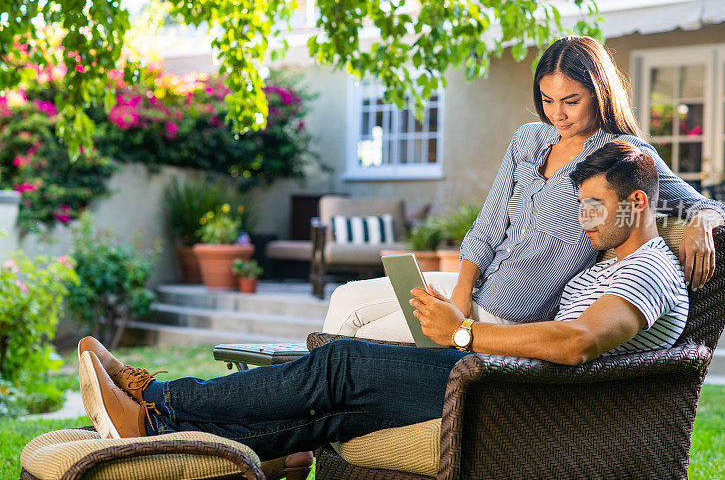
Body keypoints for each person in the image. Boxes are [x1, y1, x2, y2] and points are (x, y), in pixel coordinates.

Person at [79, 141, 689, 467]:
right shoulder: (607, 257)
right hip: (498, 379)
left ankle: (160, 397)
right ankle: (158, 431)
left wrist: (462, 333)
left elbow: (579, 340)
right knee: (335, 418)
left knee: (338, 364)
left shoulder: (649, 268)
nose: (580, 220)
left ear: (635, 203)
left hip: (504, 392)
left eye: (592, 207)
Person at [322, 35, 725, 342]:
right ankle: (310, 435)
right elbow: (487, 225)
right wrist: (461, 295)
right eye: (547, 99)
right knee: (344, 299)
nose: (557, 114)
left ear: (599, 92)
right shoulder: (528, 139)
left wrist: (701, 223)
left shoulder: (621, 156)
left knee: (364, 337)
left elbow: (710, 206)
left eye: (571, 100)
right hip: (473, 290)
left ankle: (310, 430)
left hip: (510, 313)